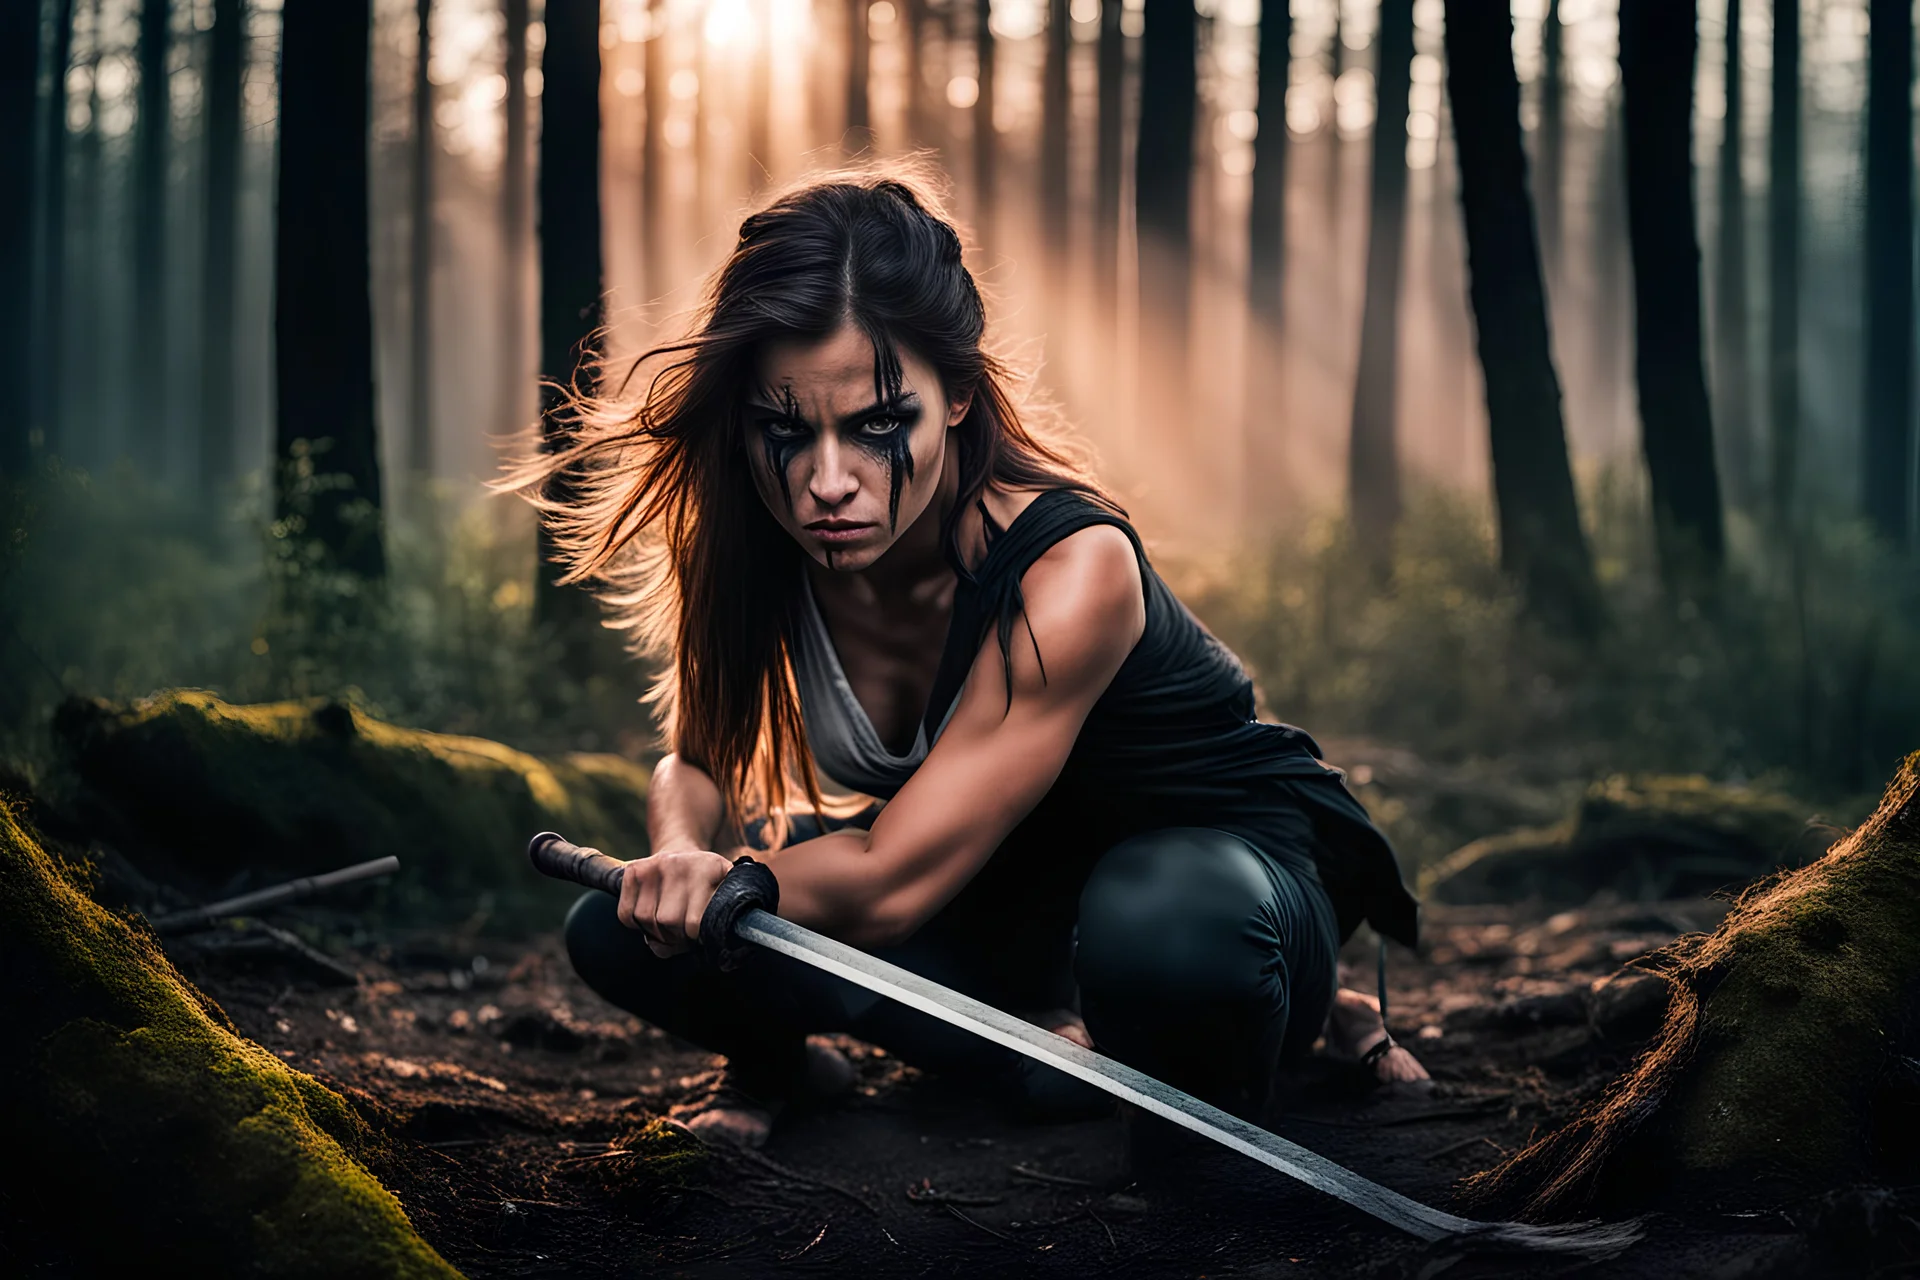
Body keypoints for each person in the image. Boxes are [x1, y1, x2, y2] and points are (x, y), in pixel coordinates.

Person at [503, 169, 1427, 1157]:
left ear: (956, 399)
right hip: (1005, 908)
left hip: (1224, 896)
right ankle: (873, 1058)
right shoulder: (749, 535)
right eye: (786, 430)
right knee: (620, 927)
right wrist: (682, 855)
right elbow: (696, 760)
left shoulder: (1071, 570)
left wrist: (738, 876)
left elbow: (890, 879)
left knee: (1164, 928)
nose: (826, 482)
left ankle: (1217, 1069)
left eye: (875, 424)